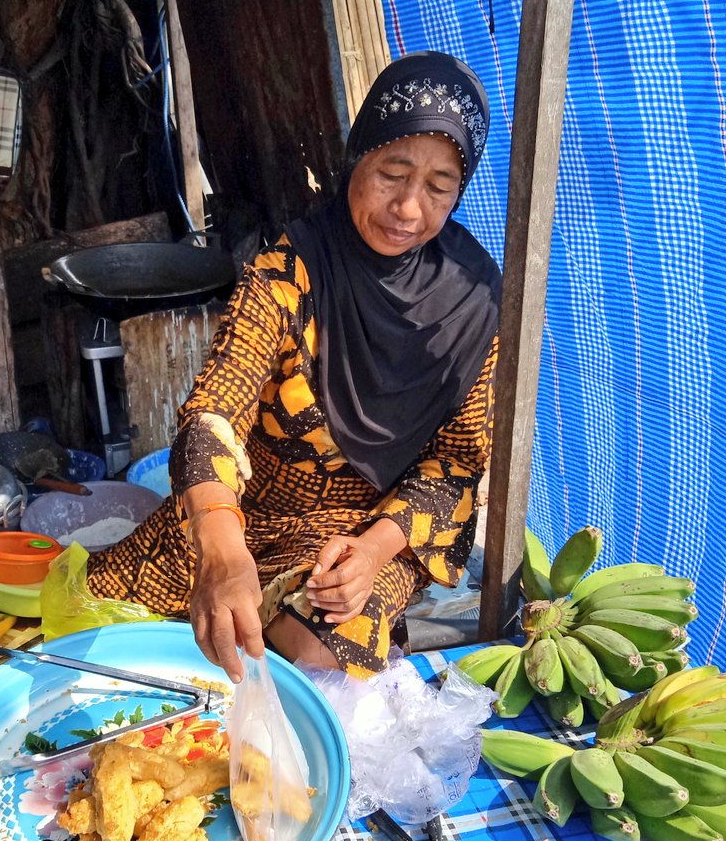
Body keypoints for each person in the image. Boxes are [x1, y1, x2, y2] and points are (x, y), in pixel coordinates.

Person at [88, 50, 501, 684]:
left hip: (363, 531)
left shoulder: (474, 303)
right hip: (242, 516)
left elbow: (456, 461)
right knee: (92, 628)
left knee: (328, 647)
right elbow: (213, 412)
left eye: (439, 187)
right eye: (392, 173)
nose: (408, 208)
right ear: (358, 157)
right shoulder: (289, 273)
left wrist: (372, 552)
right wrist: (221, 552)